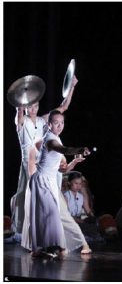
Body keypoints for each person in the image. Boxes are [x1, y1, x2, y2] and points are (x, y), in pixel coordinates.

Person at [10, 75, 78, 240]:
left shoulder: (43, 121)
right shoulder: (21, 121)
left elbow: (63, 107)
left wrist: (72, 87)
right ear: (26, 107)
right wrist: (21, 96)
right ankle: (25, 232)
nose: (34, 109)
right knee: (26, 198)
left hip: (44, 165)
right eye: (31, 106)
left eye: (36, 105)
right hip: (28, 164)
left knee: (51, 197)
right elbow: (18, 109)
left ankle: (51, 230)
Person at [21, 110, 91, 258]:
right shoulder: (50, 139)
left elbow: (62, 169)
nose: (60, 126)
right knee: (50, 214)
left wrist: (74, 161)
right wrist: (79, 149)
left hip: (50, 181)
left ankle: (50, 248)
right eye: (56, 123)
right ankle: (54, 247)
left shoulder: (57, 139)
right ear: (49, 124)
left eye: (62, 123)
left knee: (51, 214)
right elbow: (64, 150)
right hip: (41, 181)